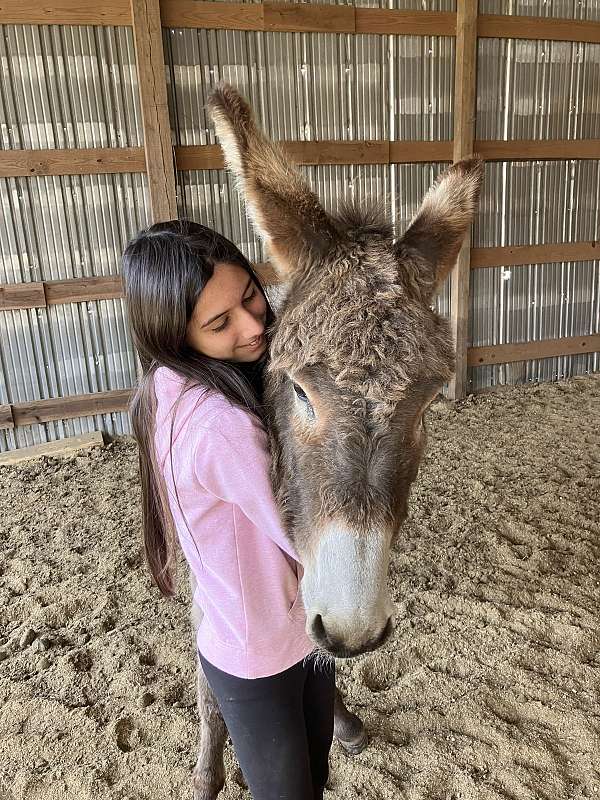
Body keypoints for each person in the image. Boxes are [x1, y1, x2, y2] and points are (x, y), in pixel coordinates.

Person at [122, 219, 335, 800]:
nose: (253, 324)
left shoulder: (167, 384)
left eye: (250, 296)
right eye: (220, 323)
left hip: (257, 631)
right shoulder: (223, 427)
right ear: (177, 336)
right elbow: (302, 535)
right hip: (262, 651)